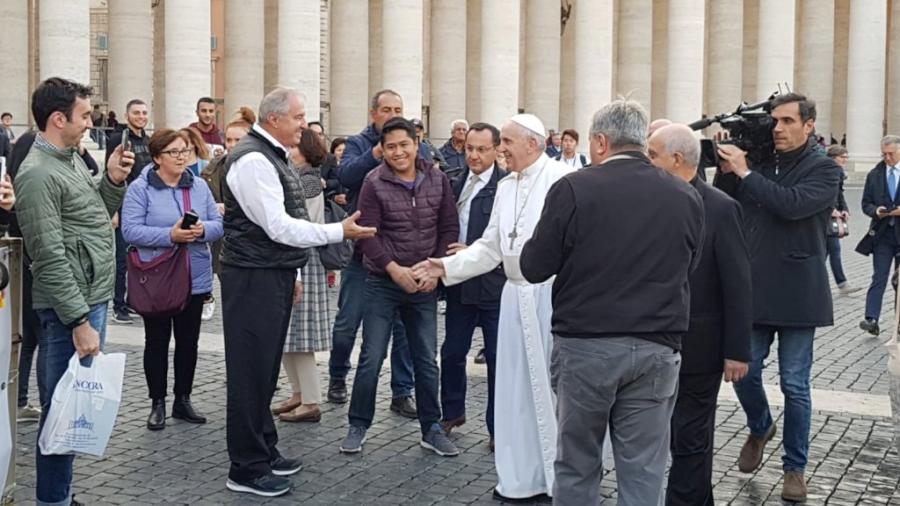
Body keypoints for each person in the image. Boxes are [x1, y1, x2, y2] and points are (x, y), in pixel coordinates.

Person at [518, 99, 704, 506]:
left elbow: (534, 266)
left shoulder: (573, 187)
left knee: (578, 463)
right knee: (644, 470)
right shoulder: (684, 194)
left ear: (600, 142)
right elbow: (690, 264)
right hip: (657, 345)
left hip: (587, 345)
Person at [220, 87, 374, 497]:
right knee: (251, 371)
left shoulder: (270, 153)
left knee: (266, 368)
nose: (304, 125)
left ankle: (264, 449)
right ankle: (246, 467)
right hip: (252, 276)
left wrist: (293, 274)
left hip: (270, 272)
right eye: (299, 117)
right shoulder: (253, 159)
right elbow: (279, 226)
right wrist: (337, 231)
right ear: (275, 120)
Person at [413, 113, 573, 501]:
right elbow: (489, 247)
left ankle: (560, 476)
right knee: (515, 388)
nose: (502, 150)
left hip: (551, 298)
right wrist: (445, 266)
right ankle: (522, 476)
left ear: (532, 144)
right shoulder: (506, 187)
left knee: (554, 391)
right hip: (513, 296)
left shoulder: (562, 182)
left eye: (508, 144)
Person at [15, 76, 134, 506]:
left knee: (71, 411)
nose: (91, 122)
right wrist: (79, 322)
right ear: (57, 118)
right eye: (84, 116)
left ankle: (61, 494)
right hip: (71, 311)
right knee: (60, 412)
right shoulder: (38, 174)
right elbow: (48, 257)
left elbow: (92, 218)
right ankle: (52, 500)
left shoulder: (67, 160)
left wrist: (113, 182)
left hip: (88, 299)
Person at [716, 92, 840, 503]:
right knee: (743, 371)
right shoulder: (760, 159)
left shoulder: (823, 169)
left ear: (809, 124)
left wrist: (747, 172)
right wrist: (728, 170)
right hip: (754, 286)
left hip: (799, 292)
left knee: (795, 384)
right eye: (775, 121)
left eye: (788, 121)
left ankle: (795, 468)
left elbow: (792, 205)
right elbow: (729, 206)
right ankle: (760, 424)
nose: (779, 129)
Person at [340, 117, 460, 456]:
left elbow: (448, 229)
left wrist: (433, 269)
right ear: (383, 148)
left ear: (416, 142)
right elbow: (366, 236)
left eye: (404, 144)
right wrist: (394, 270)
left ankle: (431, 428)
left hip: (424, 282)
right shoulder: (373, 181)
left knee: (425, 359)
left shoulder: (437, 179)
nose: (398, 152)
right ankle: (358, 424)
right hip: (382, 282)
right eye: (390, 146)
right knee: (371, 357)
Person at [648, 124, 751, 506]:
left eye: (652, 155)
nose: (646, 162)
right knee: (664, 437)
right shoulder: (647, 201)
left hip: (700, 347)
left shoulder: (722, 209)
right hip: (650, 341)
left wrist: (737, 350)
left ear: (677, 159)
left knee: (690, 438)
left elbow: (738, 283)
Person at [121, 128, 224, 430]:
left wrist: (200, 230)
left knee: (188, 341)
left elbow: (218, 225)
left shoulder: (200, 187)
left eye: (185, 151)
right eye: (173, 152)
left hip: (195, 275)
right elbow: (130, 231)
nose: (181, 157)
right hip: (158, 277)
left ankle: (183, 398)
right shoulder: (141, 189)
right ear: (157, 158)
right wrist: (171, 236)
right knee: (156, 340)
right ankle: (157, 402)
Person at [329, 89, 417, 416]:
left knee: (403, 329)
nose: (393, 113)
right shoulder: (358, 143)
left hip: (401, 251)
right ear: (373, 114)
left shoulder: (410, 144)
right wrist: (378, 152)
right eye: (386, 109)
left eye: (398, 108)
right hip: (363, 250)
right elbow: (345, 175)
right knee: (347, 321)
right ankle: (338, 375)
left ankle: (402, 391)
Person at [438, 122, 507, 449]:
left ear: (496, 150)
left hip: (494, 286)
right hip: (460, 284)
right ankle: (452, 411)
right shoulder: (453, 182)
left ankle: (497, 427)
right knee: (452, 351)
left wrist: (477, 250)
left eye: (482, 149)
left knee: (497, 358)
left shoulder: (507, 187)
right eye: (469, 148)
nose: (474, 155)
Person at [272, 130, 333, 423]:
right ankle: (297, 393)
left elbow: (303, 224)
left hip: (304, 259)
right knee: (285, 333)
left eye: (295, 146)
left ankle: (311, 400)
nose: (290, 150)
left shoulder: (307, 180)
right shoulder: (293, 176)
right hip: (290, 256)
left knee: (302, 335)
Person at [106, 98, 153, 325]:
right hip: (124, 205)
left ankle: (133, 300)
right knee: (122, 259)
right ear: (127, 116)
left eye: (144, 113)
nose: (141, 117)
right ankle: (118, 304)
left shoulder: (147, 140)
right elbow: (111, 174)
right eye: (136, 113)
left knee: (139, 257)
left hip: (145, 206)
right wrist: (113, 210)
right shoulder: (118, 139)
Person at [201, 106, 255, 294]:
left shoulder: (261, 167)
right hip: (226, 242)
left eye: (238, 140)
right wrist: (213, 206)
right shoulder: (214, 169)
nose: (232, 145)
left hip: (255, 244)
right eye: (228, 140)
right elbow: (203, 199)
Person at [860, 135, 900, 336]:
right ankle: (871, 318)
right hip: (883, 235)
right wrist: (876, 210)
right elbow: (865, 203)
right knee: (879, 277)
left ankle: (899, 323)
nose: (887, 158)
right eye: (883, 154)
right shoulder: (874, 174)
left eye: (891, 154)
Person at [825, 145, 859, 295]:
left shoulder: (838, 171)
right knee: (833, 250)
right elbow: (823, 193)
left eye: (846, 157)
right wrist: (830, 209)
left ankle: (839, 283)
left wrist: (844, 209)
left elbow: (839, 194)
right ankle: (842, 284)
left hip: (832, 215)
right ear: (833, 157)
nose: (845, 160)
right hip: (824, 216)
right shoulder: (827, 170)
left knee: (826, 251)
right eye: (842, 157)